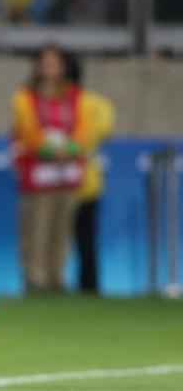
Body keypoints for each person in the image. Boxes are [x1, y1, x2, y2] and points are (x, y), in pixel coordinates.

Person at [11, 46, 85, 293]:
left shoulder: (74, 96)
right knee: (36, 227)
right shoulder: (26, 97)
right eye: (45, 62)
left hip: (66, 174)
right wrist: (50, 150)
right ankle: (35, 279)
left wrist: (71, 149)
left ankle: (57, 278)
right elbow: (28, 132)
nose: (50, 67)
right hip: (37, 174)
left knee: (62, 229)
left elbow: (84, 129)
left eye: (55, 62)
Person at [64, 54, 114, 294]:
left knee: (73, 239)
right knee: (84, 240)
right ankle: (88, 287)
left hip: (78, 182)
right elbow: (104, 129)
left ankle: (76, 286)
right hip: (85, 182)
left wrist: (67, 146)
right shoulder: (98, 104)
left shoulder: (84, 104)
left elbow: (95, 134)